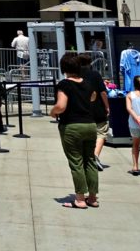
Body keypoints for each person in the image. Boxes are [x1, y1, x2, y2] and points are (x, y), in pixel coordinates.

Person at [49, 52, 99, 209]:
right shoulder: (88, 82)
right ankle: (92, 197)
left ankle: (79, 198)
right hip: (90, 125)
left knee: (76, 161)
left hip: (72, 126)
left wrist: (53, 111)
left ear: (64, 68)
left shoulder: (65, 84)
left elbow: (61, 105)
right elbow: (93, 97)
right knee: (90, 160)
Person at [78, 53, 109, 171]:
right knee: (101, 133)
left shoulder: (75, 76)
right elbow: (103, 92)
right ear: (90, 63)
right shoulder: (95, 75)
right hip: (97, 108)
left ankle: (86, 157)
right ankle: (95, 155)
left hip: (82, 110)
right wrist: (107, 106)